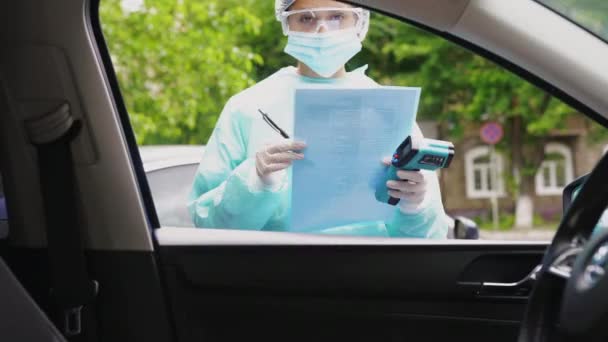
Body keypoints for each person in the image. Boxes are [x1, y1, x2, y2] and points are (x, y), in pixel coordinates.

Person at [188, 0, 450, 238]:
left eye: (337, 16)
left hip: (369, 274)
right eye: (306, 18)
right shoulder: (247, 108)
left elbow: (429, 238)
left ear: (360, 21)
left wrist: (415, 206)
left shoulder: (389, 110)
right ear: (286, 22)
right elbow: (208, 225)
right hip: (273, 275)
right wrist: (255, 180)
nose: (322, 30)